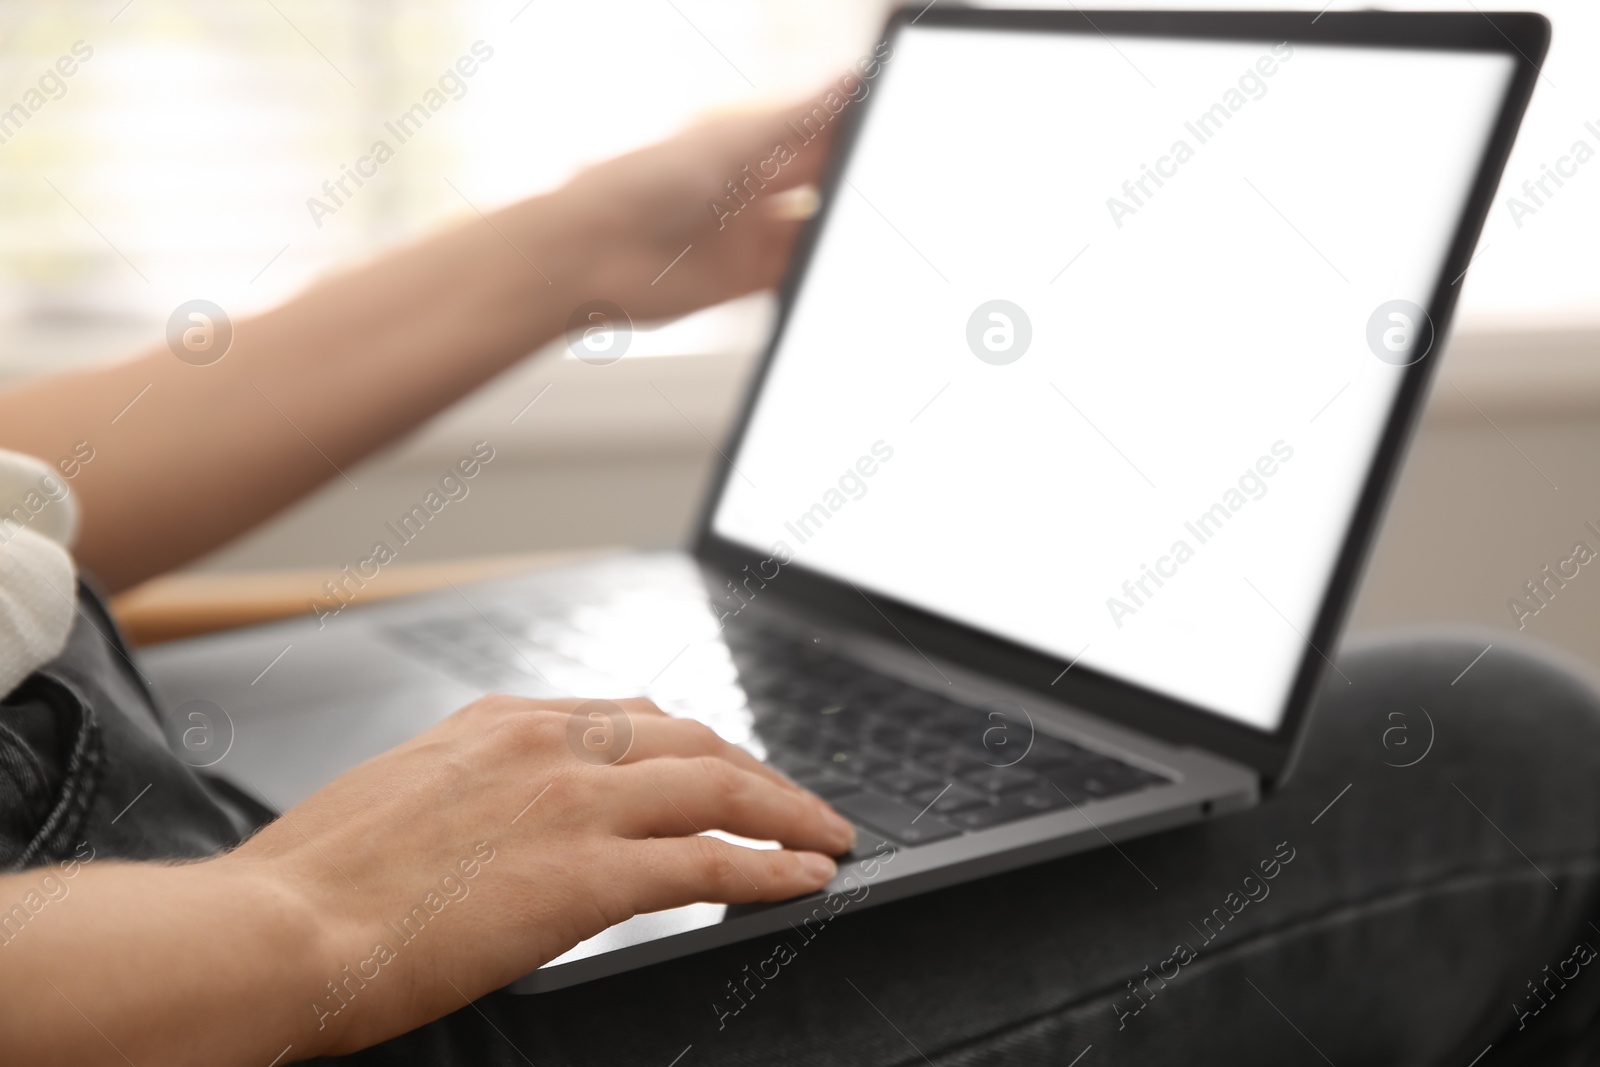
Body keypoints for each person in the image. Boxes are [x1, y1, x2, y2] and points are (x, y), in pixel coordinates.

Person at [2, 100, 1599, 1067]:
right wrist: (299, 916)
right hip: (166, 993)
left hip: (107, 797)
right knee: (1501, 756)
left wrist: (588, 245)